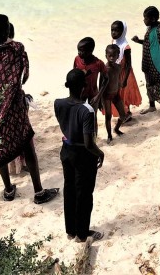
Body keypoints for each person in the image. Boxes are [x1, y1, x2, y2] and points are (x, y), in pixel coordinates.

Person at [0, 14, 58, 204]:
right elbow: (24, 77)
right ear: (7, 31)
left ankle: (8, 190)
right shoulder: (16, 49)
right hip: (14, 109)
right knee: (27, 144)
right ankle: (39, 192)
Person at [54, 69, 105, 243]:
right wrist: (100, 153)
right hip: (83, 153)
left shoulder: (58, 103)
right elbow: (89, 143)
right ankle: (82, 234)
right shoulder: (87, 110)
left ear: (67, 85)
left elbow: (67, 124)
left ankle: (71, 230)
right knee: (84, 194)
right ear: (84, 86)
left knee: (69, 190)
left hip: (66, 150)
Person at [132, 6, 160, 119]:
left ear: (153, 19)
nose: (144, 20)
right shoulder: (150, 28)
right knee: (149, 85)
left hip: (157, 64)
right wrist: (138, 40)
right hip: (148, 63)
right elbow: (149, 43)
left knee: (159, 87)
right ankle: (152, 106)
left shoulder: (159, 30)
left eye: (146, 18)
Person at [110, 20, 143, 122]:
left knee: (124, 94)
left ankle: (126, 113)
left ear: (123, 32)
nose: (113, 33)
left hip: (125, 74)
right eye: (112, 30)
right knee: (117, 94)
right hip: (116, 74)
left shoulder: (126, 47)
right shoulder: (113, 42)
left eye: (117, 31)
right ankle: (123, 112)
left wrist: (124, 80)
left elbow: (128, 65)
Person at [96, 44, 128, 142]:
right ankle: (109, 135)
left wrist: (120, 84)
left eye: (114, 55)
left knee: (123, 115)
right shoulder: (104, 70)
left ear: (118, 56)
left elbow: (118, 79)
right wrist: (100, 100)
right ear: (106, 55)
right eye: (109, 55)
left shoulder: (118, 67)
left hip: (115, 94)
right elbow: (100, 85)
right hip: (106, 96)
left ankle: (116, 128)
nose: (111, 57)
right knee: (108, 116)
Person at [73, 37, 106, 108]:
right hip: (80, 93)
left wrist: (99, 96)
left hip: (93, 93)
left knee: (92, 115)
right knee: (80, 114)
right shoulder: (77, 59)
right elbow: (73, 76)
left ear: (90, 50)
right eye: (78, 50)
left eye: (81, 50)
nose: (79, 52)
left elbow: (106, 80)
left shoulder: (98, 63)